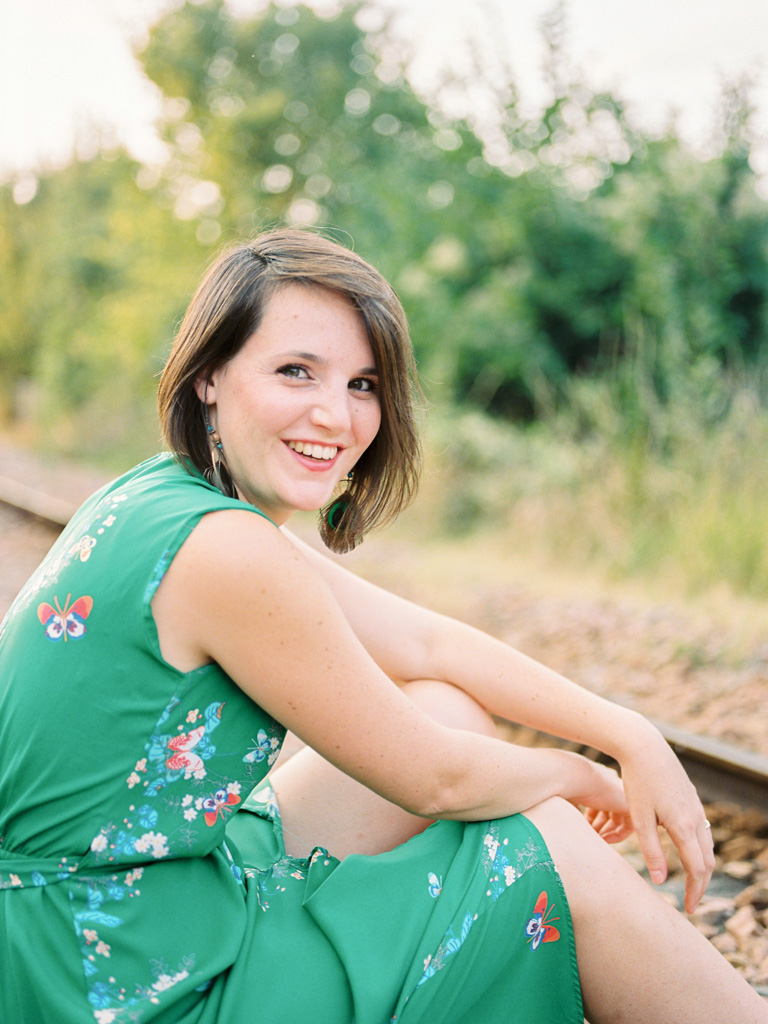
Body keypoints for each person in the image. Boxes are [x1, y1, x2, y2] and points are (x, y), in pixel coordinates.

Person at [0, 228, 765, 1024]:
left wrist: (627, 731)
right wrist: (580, 778)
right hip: (106, 975)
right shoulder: (225, 551)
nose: (335, 415)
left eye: (363, 384)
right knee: (552, 848)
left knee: (445, 703)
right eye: (296, 371)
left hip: (95, 908)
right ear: (208, 378)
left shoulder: (173, 499)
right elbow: (435, 780)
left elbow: (427, 644)